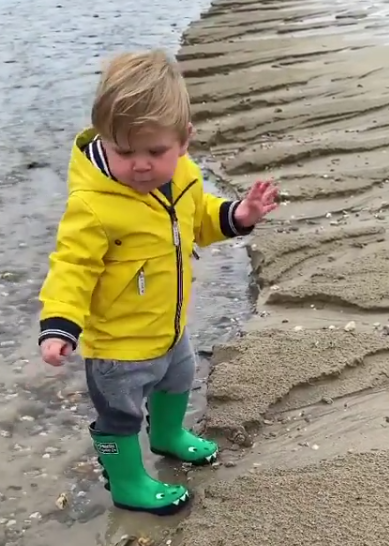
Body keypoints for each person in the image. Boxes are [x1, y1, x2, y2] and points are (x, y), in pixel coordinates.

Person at [37, 49, 278, 516]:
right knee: (120, 414)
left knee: (180, 378)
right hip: (118, 347)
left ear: (185, 141)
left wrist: (239, 215)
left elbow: (199, 220)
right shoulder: (93, 204)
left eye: (155, 152)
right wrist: (59, 325)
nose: (141, 165)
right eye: (124, 151)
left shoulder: (183, 176)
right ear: (105, 141)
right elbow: (72, 266)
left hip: (170, 329)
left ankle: (168, 435)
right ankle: (127, 481)